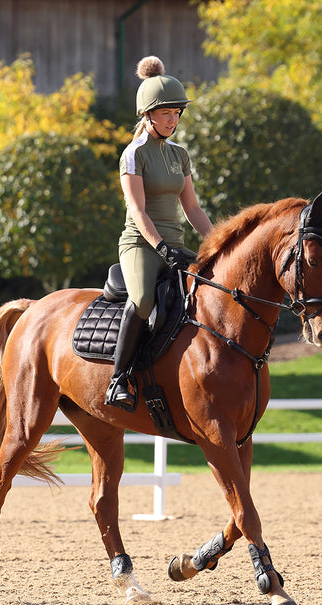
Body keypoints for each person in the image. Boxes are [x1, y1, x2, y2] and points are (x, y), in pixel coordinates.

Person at [105, 56, 213, 409]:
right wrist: (161, 247)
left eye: (177, 113)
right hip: (140, 244)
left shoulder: (180, 155)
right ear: (147, 115)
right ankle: (118, 379)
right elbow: (136, 211)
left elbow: (193, 209)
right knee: (143, 301)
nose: (173, 119)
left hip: (176, 245)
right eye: (166, 113)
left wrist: (217, 243)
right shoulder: (133, 155)